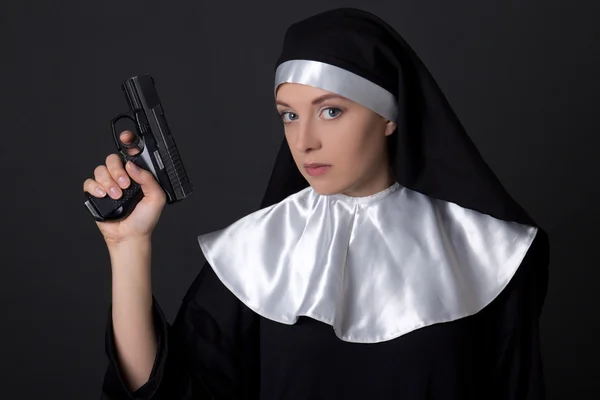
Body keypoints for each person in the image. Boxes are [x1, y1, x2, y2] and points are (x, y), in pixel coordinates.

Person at [84, 7, 550, 400]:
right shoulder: (259, 252)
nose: (303, 141)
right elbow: (166, 393)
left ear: (389, 114)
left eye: (331, 111)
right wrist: (127, 246)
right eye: (289, 115)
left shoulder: (487, 253)